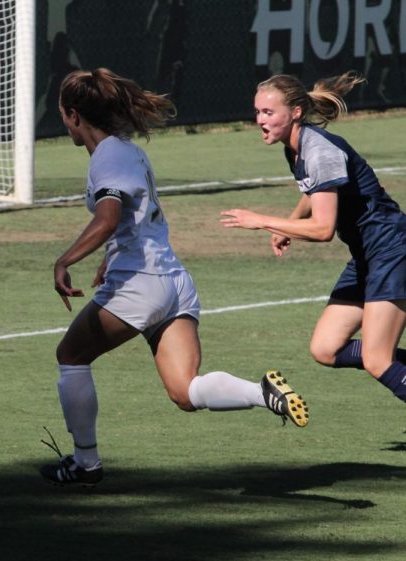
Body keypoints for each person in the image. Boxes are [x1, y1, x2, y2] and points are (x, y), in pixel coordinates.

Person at [40, 68, 308, 487]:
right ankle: (263, 394)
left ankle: (85, 464)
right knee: (186, 392)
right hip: (174, 283)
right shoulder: (128, 151)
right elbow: (134, 218)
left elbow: (108, 218)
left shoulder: (107, 155)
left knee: (71, 357)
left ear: (75, 115)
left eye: (63, 115)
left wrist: (64, 260)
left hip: (141, 286)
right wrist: (111, 257)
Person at [221, 72, 406, 406]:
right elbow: (318, 189)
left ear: (294, 113)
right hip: (368, 256)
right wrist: (290, 223)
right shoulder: (295, 147)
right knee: (326, 348)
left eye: (268, 112)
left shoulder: (319, 150)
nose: (260, 120)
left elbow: (323, 229)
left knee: (377, 359)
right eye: (258, 112)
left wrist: (261, 221)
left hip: (392, 249)